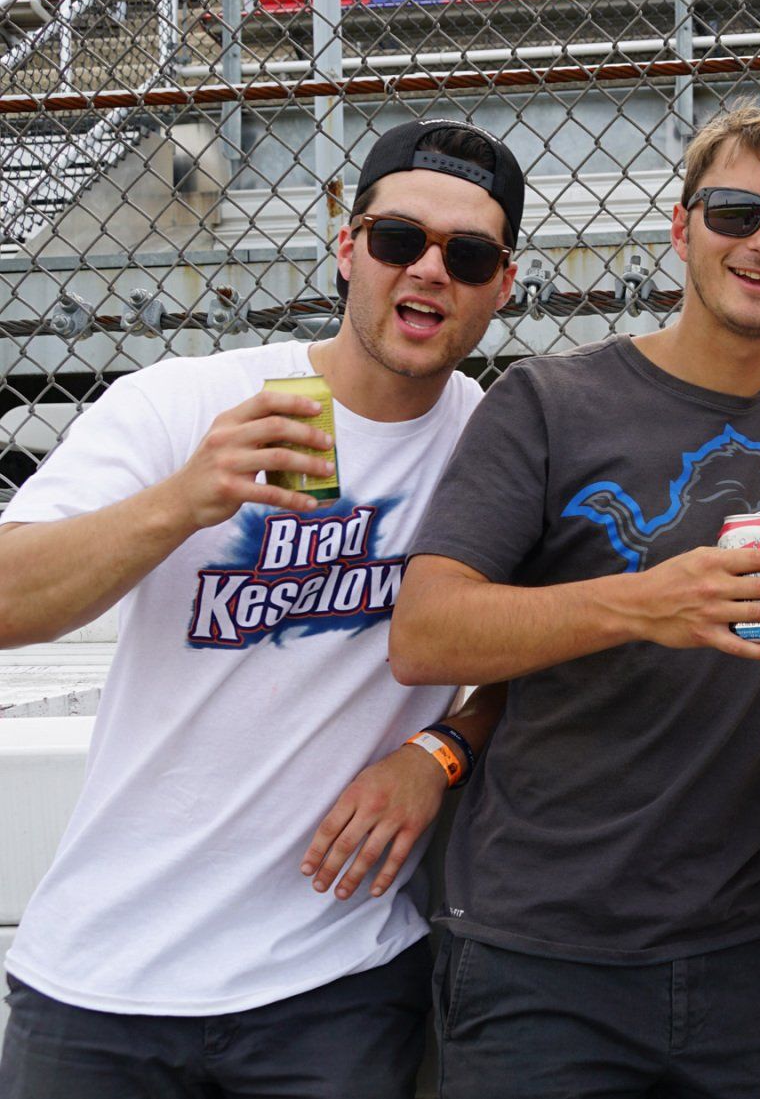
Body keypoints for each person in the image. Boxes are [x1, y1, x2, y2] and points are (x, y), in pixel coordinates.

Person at [0, 118, 526, 1098]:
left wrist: (437, 753)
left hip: (335, 980)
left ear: (502, 282)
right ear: (348, 245)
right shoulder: (188, 402)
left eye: (468, 254)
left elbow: (545, 659)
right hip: (102, 977)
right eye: (398, 239)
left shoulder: (499, 449)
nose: (428, 270)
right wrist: (185, 500)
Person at [389, 104, 760, 1099]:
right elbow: (426, 632)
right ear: (682, 226)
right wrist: (638, 604)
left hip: (738, 951)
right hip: (538, 952)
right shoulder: (550, 400)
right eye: (737, 213)